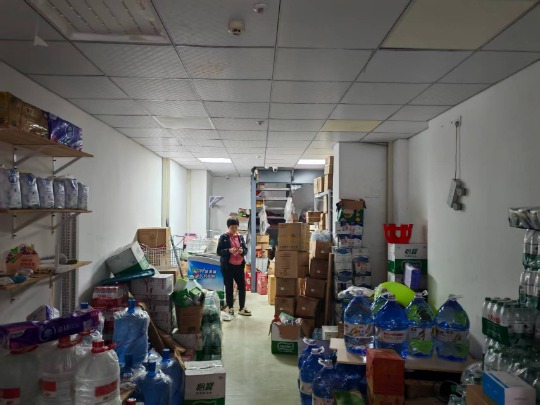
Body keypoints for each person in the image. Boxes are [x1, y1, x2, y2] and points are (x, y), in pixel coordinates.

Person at [217, 217, 252, 317]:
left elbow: (245, 250)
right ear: (228, 227)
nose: (234, 229)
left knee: (242, 287)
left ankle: (242, 308)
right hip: (227, 266)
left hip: (239, 266)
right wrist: (228, 250)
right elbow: (219, 251)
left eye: (236, 227)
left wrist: (242, 251)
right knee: (229, 287)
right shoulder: (223, 237)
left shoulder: (240, 237)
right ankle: (230, 308)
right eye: (232, 227)